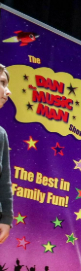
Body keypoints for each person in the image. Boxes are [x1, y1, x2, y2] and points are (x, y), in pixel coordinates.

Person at [0, 65, 13, 246]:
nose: (8, 91)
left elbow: (4, 181)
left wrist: (6, 218)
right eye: (2, 83)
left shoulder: (1, 134)